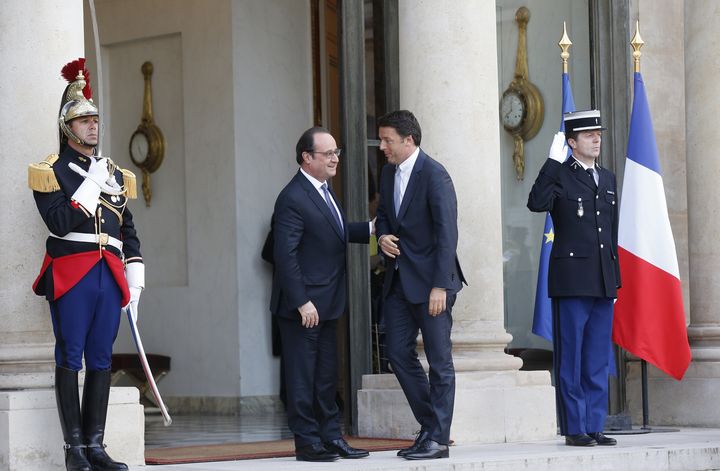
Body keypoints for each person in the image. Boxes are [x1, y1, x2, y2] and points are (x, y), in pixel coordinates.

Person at [28, 58, 144, 470]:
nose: (93, 127)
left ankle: (95, 445)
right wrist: (92, 182)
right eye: (83, 121)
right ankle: (73, 449)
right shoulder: (51, 171)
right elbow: (59, 222)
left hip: (108, 276)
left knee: (101, 358)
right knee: (71, 354)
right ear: (67, 128)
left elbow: (126, 230)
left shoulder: (114, 173)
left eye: (95, 120)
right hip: (73, 271)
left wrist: (136, 282)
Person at [270, 126, 371, 462]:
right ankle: (307, 442)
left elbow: (333, 232)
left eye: (336, 152)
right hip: (304, 307)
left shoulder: (324, 191)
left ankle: (331, 437)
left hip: (327, 304)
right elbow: (285, 254)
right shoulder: (293, 197)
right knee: (302, 377)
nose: (335, 159)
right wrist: (301, 300)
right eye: (328, 153)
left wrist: (370, 229)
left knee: (326, 376)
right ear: (307, 158)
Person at [375, 110, 465, 460]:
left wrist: (440, 286)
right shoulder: (387, 173)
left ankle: (438, 441)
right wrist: (382, 235)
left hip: (432, 286)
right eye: (382, 140)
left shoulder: (435, 175)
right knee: (397, 354)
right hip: (399, 281)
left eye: (388, 140)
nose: (382, 146)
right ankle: (432, 426)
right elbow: (384, 214)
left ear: (408, 140)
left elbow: (447, 234)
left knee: (440, 363)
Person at [527, 109, 620, 447]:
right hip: (571, 280)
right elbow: (536, 203)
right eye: (588, 135)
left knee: (597, 357)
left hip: (602, 279)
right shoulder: (561, 175)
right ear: (571, 142)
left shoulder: (607, 178)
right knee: (572, 357)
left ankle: (595, 423)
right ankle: (574, 427)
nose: (596, 139)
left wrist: (615, 279)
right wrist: (551, 164)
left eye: (598, 133)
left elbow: (610, 232)